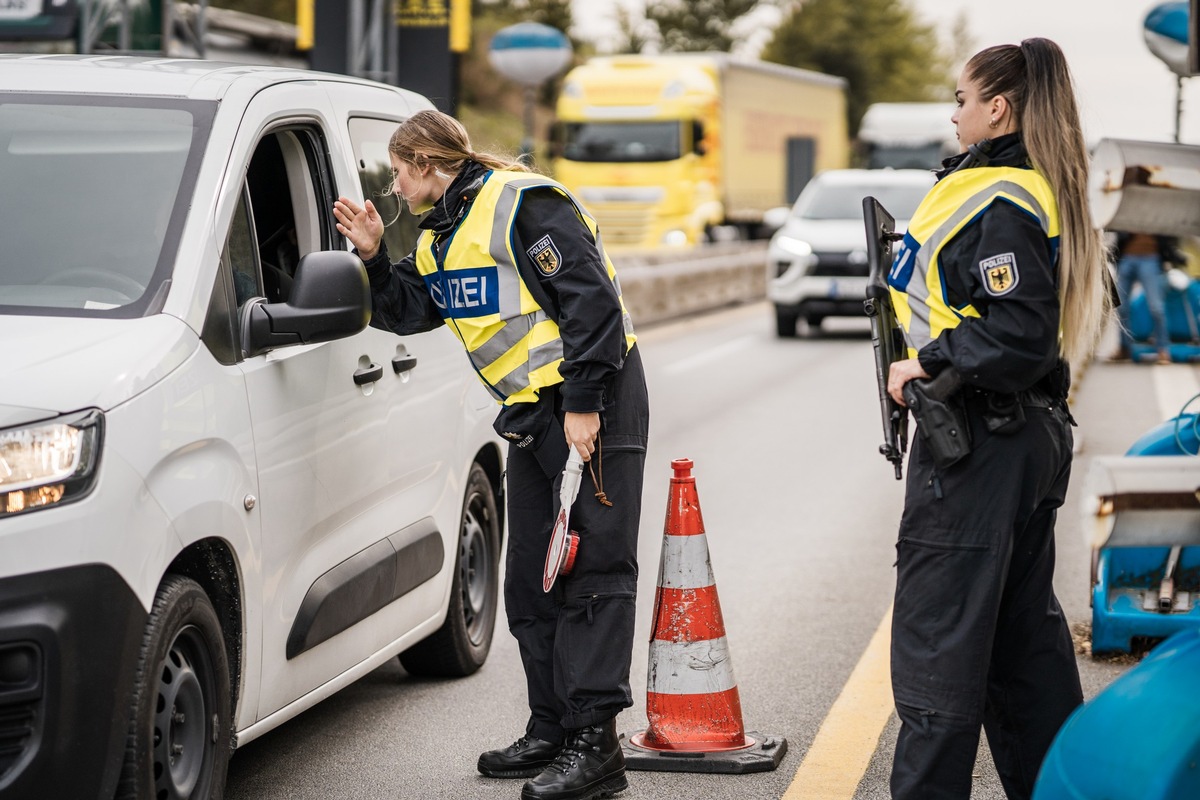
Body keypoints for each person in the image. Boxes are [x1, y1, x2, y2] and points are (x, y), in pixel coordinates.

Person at [332, 109, 647, 800]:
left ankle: (597, 747)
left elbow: (589, 298)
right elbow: (412, 310)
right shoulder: (444, 236)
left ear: (423, 162)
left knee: (593, 569)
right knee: (532, 577)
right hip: (535, 416)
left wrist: (588, 403)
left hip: (591, 399)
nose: (393, 183)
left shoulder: (520, 203)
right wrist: (374, 256)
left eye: (397, 169)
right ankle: (553, 727)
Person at [882, 38, 1110, 800]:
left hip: (980, 439)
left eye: (960, 99)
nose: (954, 114)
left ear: (997, 107)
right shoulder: (1016, 184)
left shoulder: (1000, 193)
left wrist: (932, 362)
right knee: (1023, 657)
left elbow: (1018, 328)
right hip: (1020, 434)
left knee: (939, 657)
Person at [1111, 231, 1186, 364]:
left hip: (1150, 258)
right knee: (1121, 307)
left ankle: (1163, 349)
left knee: (1156, 307)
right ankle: (1124, 348)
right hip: (1126, 257)